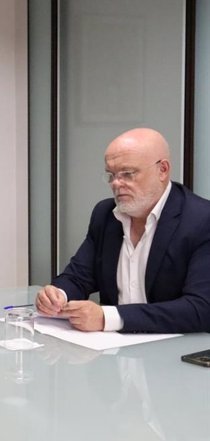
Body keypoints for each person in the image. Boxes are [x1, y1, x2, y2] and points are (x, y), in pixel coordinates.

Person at [36, 127, 210, 333]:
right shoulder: (106, 214)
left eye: (128, 174)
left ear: (162, 170)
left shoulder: (201, 220)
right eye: (111, 175)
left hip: (177, 352)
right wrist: (57, 295)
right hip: (114, 351)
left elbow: (201, 308)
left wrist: (108, 318)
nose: (117, 184)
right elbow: (78, 276)